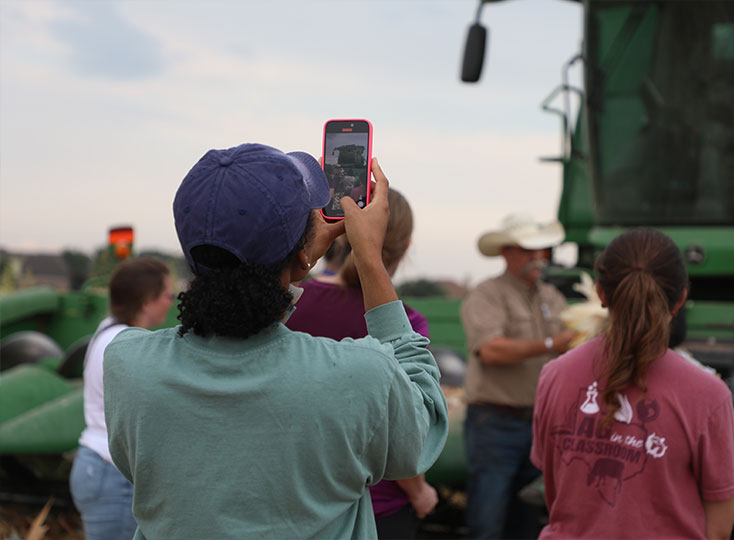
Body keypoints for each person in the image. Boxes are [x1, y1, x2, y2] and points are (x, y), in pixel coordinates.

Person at [102, 143, 448, 539]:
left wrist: (295, 264)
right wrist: (369, 259)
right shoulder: (361, 375)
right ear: (301, 255)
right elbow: (422, 433)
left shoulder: (128, 364)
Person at [531, 229, 734, 539]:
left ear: (601, 294)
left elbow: (555, 485)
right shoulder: (709, 395)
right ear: (680, 298)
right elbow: (719, 530)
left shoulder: (554, 376)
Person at [286, 188, 439, 539]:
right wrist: (419, 492)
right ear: (406, 245)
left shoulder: (290, 304)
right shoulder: (408, 326)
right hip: (378, 506)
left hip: (297, 497)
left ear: (337, 231)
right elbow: (406, 431)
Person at [460, 214, 578, 539]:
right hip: (495, 422)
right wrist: (551, 344)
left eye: (541, 251)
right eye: (529, 250)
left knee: (526, 522)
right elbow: (491, 351)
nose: (537, 258)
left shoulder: (551, 297)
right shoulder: (487, 295)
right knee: (488, 520)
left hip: (540, 423)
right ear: (507, 252)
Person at [69, 257, 173, 540]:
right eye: (168, 295)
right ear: (146, 300)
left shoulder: (108, 329)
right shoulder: (126, 344)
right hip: (110, 472)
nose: (170, 302)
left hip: (95, 465)